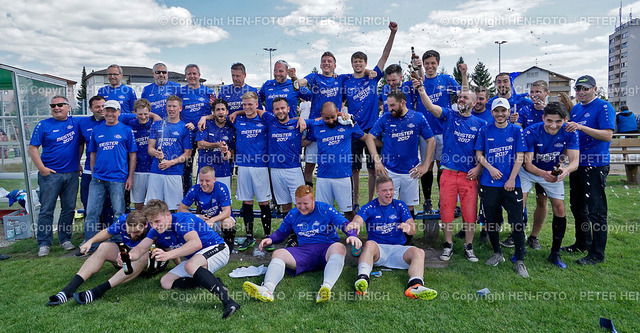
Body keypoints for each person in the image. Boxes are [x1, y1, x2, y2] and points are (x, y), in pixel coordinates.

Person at [242, 185, 358, 303]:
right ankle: (267, 290)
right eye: (299, 203)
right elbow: (282, 232)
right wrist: (271, 239)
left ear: (313, 200)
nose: (302, 207)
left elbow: (345, 224)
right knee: (278, 253)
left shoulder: (325, 209)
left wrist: (352, 235)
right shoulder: (293, 214)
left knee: (340, 247)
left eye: (305, 203)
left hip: (326, 250)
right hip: (304, 252)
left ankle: (326, 288)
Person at [128, 200, 239, 318]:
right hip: (198, 257)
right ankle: (214, 282)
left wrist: (168, 255)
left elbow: (196, 244)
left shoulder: (182, 221)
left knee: (190, 265)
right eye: (151, 222)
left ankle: (229, 302)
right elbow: (140, 249)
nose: (154, 226)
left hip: (218, 248)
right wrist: (128, 256)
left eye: (157, 221)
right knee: (166, 282)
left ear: (167, 215)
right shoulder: (156, 229)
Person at [416, 83, 485, 262]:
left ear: (474, 102)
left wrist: (479, 168)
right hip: (448, 173)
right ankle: (448, 245)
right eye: (459, 97)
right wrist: (422, 90)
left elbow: (483, 152)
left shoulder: (480, 124)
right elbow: (431, 107)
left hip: (469, 176)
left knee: (470, 213)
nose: (461, 100)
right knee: (446, 212)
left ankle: (468, 247)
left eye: (465, 97)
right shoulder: (450, 115)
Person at [346, 176, 437, 300]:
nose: (389, 193)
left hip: (398, 249)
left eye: (391, 190)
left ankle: (415, 285)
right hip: (378, 251)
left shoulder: (400, 205)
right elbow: (357, 220)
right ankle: (362, 279)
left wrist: (408, 227)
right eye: (384, 191)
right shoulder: (370, 207)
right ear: (377, 192)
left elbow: (413, 228)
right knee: (369, 244)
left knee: (419, 252)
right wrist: (355, 224)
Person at [46, 211, 155, 306]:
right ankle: (68, 290)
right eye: (129, 232)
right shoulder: (123, 220)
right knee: (104, 247)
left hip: (150, 262)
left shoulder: (154, 225)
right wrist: (90, 241)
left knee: (143, 254)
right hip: (129, 257)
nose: (132, 236)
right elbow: (107, 232)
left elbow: (151, 249)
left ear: (145, 225)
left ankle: (97, 292)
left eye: (136, 232)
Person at [342, 21, 397, 206]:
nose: (358, 64)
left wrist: (393, 33)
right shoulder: (346, 81)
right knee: (355, 169)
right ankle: (355, 201)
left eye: (361, 62)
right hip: (354, 129)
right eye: (355, 62)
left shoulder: (373, 77)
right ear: (352, 64)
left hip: (374, 129)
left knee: (374, 169)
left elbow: (385, 55)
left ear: (365, 63)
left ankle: (371, 200)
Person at [519, 102, 579, 268]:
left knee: (559, 208)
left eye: (558, 121)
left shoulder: (570, 131)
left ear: (565, 120)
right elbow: (528, 165)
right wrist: (543, 174)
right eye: (550, 120)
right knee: (519, 204)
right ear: (543, 118)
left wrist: (565, 170)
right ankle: (519, 249)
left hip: (552, 171)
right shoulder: (531, 130)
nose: (553, 125)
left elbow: (575, 161)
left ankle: (555, 252)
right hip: (529, 171)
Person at [563, 75, 615, 265]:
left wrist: (582, 127)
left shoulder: (603, 106)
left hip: (596, 164)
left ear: (594, 89)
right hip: (578, 164)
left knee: (596, 211)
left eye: (585, 88)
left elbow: (607, 135)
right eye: (578, 89)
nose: (581, 92)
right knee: (577, 207)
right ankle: (582, 242)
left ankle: (597, 254)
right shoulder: (576, 108)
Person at [408, 50, 467, 214]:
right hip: (425, 133)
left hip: (444, 130)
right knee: (426, 167)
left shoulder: (446, 79)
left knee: (444, 168)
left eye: (433, 63)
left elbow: (464, 94)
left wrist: (464, 74)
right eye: (427, 63)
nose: (430, 66)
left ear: (438, 64)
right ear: (423, 65)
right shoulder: (417, 81)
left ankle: (444, 201)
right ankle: (428, 202)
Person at [475, 98, 528, 277]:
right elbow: (479, 154)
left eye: (503, 111)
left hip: (511, 184)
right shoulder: (485, 130)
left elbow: (520, 156)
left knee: (517, 222)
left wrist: (512, 178)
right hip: (489, 184)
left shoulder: (516, 130)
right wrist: (490, 168)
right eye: (496, 111)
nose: (500, 114)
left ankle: (519, 259)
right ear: (492, 112)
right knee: (491, 220)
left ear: (508, 112)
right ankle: (497, 252)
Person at [366, 90, 435, 220]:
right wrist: (377, 161)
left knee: (408, 207)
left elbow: (431, 140)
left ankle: (407, 238)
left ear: (403, 103)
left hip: (411, 171)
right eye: (388, 105)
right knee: (387, 204)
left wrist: (425, 165)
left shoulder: (418, 117)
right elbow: (370, 138)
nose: (390, 109)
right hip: (389, 170)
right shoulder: (386, 118)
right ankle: (388, 237)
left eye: (393, 105)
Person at [28, 96, 81, 257]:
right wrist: (42, 168)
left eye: (60, 105)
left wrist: (77, 162)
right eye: (53, 105)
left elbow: (82, 141)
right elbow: (32, 148)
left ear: (68, 107)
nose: (56, 108)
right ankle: (44, 243)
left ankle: (65, 239)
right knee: (46, 209)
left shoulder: (76, 123)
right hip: (50, 175)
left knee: (68, 209)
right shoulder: (43, 125)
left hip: (71, 174)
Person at [83, 100, 137, 252]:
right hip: (98, 178)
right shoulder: (97, 130)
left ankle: (118, 242)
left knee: (118, 212)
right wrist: (94, 173)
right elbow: (92, 153)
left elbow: (132, 155)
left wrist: (130, 177)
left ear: (119, 112)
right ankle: (90, 245)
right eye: (107, 110)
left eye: (113, 111)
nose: (110, 114)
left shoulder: (126, 130)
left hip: (118, 178)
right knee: (92, 212)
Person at [289, 52, 345, 190]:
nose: (326, 63)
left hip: (333, 128)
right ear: (320, 65)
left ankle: (340, 195)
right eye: (324, 61)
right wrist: (294, 77)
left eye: (329, 61)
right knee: (309, 166)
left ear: (334, 65)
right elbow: (300, 83)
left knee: (335, 164)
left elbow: (359, 75)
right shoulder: (314, 77)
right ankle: (308, 194)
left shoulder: (341, 79)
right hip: (316, 127)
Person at [306, 102, 370, 221]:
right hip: (323, 176)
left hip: (343, 176)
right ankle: (326, 238)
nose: (330, 121)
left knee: (348, 212)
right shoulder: (316, 126)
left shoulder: (348, 123)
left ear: (337, 112)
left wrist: (385, 140)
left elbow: (365, 137)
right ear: (321, 115)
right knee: (323, 211)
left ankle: (352, 237)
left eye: (333, 117)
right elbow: (305, 141)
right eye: (327, 118)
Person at [232, 91, 272, 251]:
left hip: (261, 166)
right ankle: (249, 237)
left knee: (263, 202)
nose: (247, 107)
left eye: (251, 104)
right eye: (245, 105)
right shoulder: (238, 120)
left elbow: (278, 116)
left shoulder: (265, 119)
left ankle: (268, 237)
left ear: (257, 104)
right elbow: (218, 116)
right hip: (243, 166)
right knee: (247, 202)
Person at [145, 95, 193, 210]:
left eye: (174, 106)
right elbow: (150, 149)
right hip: (156, 172)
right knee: (153, 208)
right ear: (166, 108)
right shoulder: (157, 125)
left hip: (174, 173)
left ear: (180, 108)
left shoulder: (185, 127)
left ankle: (170, 228)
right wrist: (156, 153)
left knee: (173, 209)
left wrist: (171, 162)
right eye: (169, 106)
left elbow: (188, 154)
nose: (171, 109)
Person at [177, 64, 216, 195]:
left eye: (194, 73)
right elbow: (175, 112)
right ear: (185, 76)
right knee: (186, 167)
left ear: (199, 75)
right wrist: (185, 124)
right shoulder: (180, 92)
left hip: (204, 136)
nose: (192, 76)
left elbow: (218, 113)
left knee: (205, 167)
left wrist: (205, 117)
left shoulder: (209, 92)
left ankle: (204, 197)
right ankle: (187, 197)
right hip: (187, 135)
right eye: (189, 74)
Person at [178, 166, 236, 251]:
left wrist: (213, 220)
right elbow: (181, 209)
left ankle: (228, 248)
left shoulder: (221, 188)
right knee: (185, 221)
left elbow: (227, 212)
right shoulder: (195, 189)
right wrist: (197, 217)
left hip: (219, 220)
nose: (204, 184)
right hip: (204, 220)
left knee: (228, 223)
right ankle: (195, 247)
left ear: (214, 179)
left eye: (207, 181)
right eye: (201, 180)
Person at [195, 99, 236, 191]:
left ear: (227, 112)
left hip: (223, 172)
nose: (220, 112)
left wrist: (228, 154)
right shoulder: (206, 125)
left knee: (224, 203)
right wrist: (217, 145)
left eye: (223, 109)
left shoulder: (231, 129)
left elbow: (232, 150)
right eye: (218, 110)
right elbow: (200, 144)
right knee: (202, 202)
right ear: (213, 112)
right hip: (205, 171)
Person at [127, 99, 156, 211]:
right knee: (138, 205)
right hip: (137, 170)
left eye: (145, 114)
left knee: (152, 204)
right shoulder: (130, 126)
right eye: (140, 114)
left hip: (153, 170)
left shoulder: (155, 124)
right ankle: (140, 227)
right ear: (135, 113)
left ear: (150, 112)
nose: (143, 117)